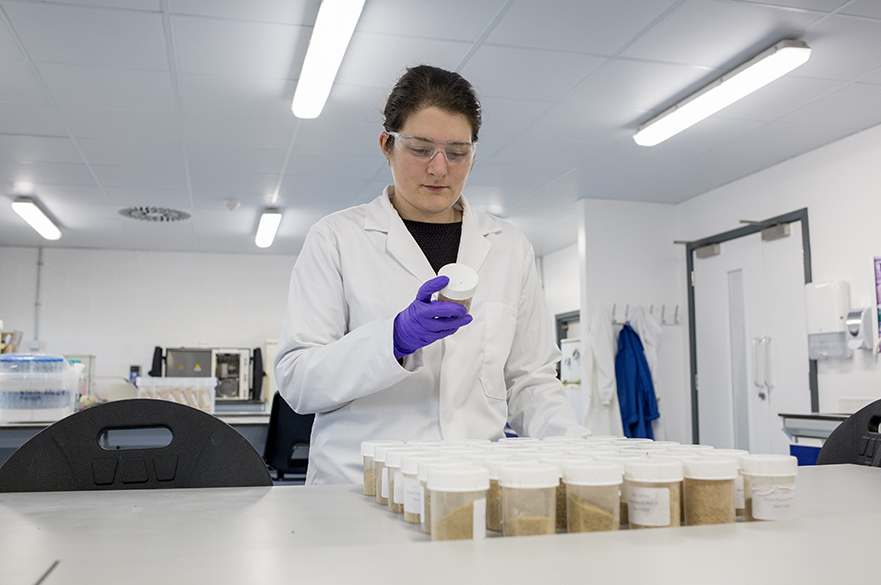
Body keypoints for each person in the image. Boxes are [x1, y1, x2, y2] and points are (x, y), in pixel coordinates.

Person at [275, 65, 589, 485]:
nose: (440, 169)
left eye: (457, 152)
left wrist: (577, 449)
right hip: (362, 487)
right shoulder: (335, 239)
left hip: (473, 485)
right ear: (387, 145)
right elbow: (298, 379)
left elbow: (529, 380)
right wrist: (393, 339)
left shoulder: (509, 246)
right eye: (421, 149)